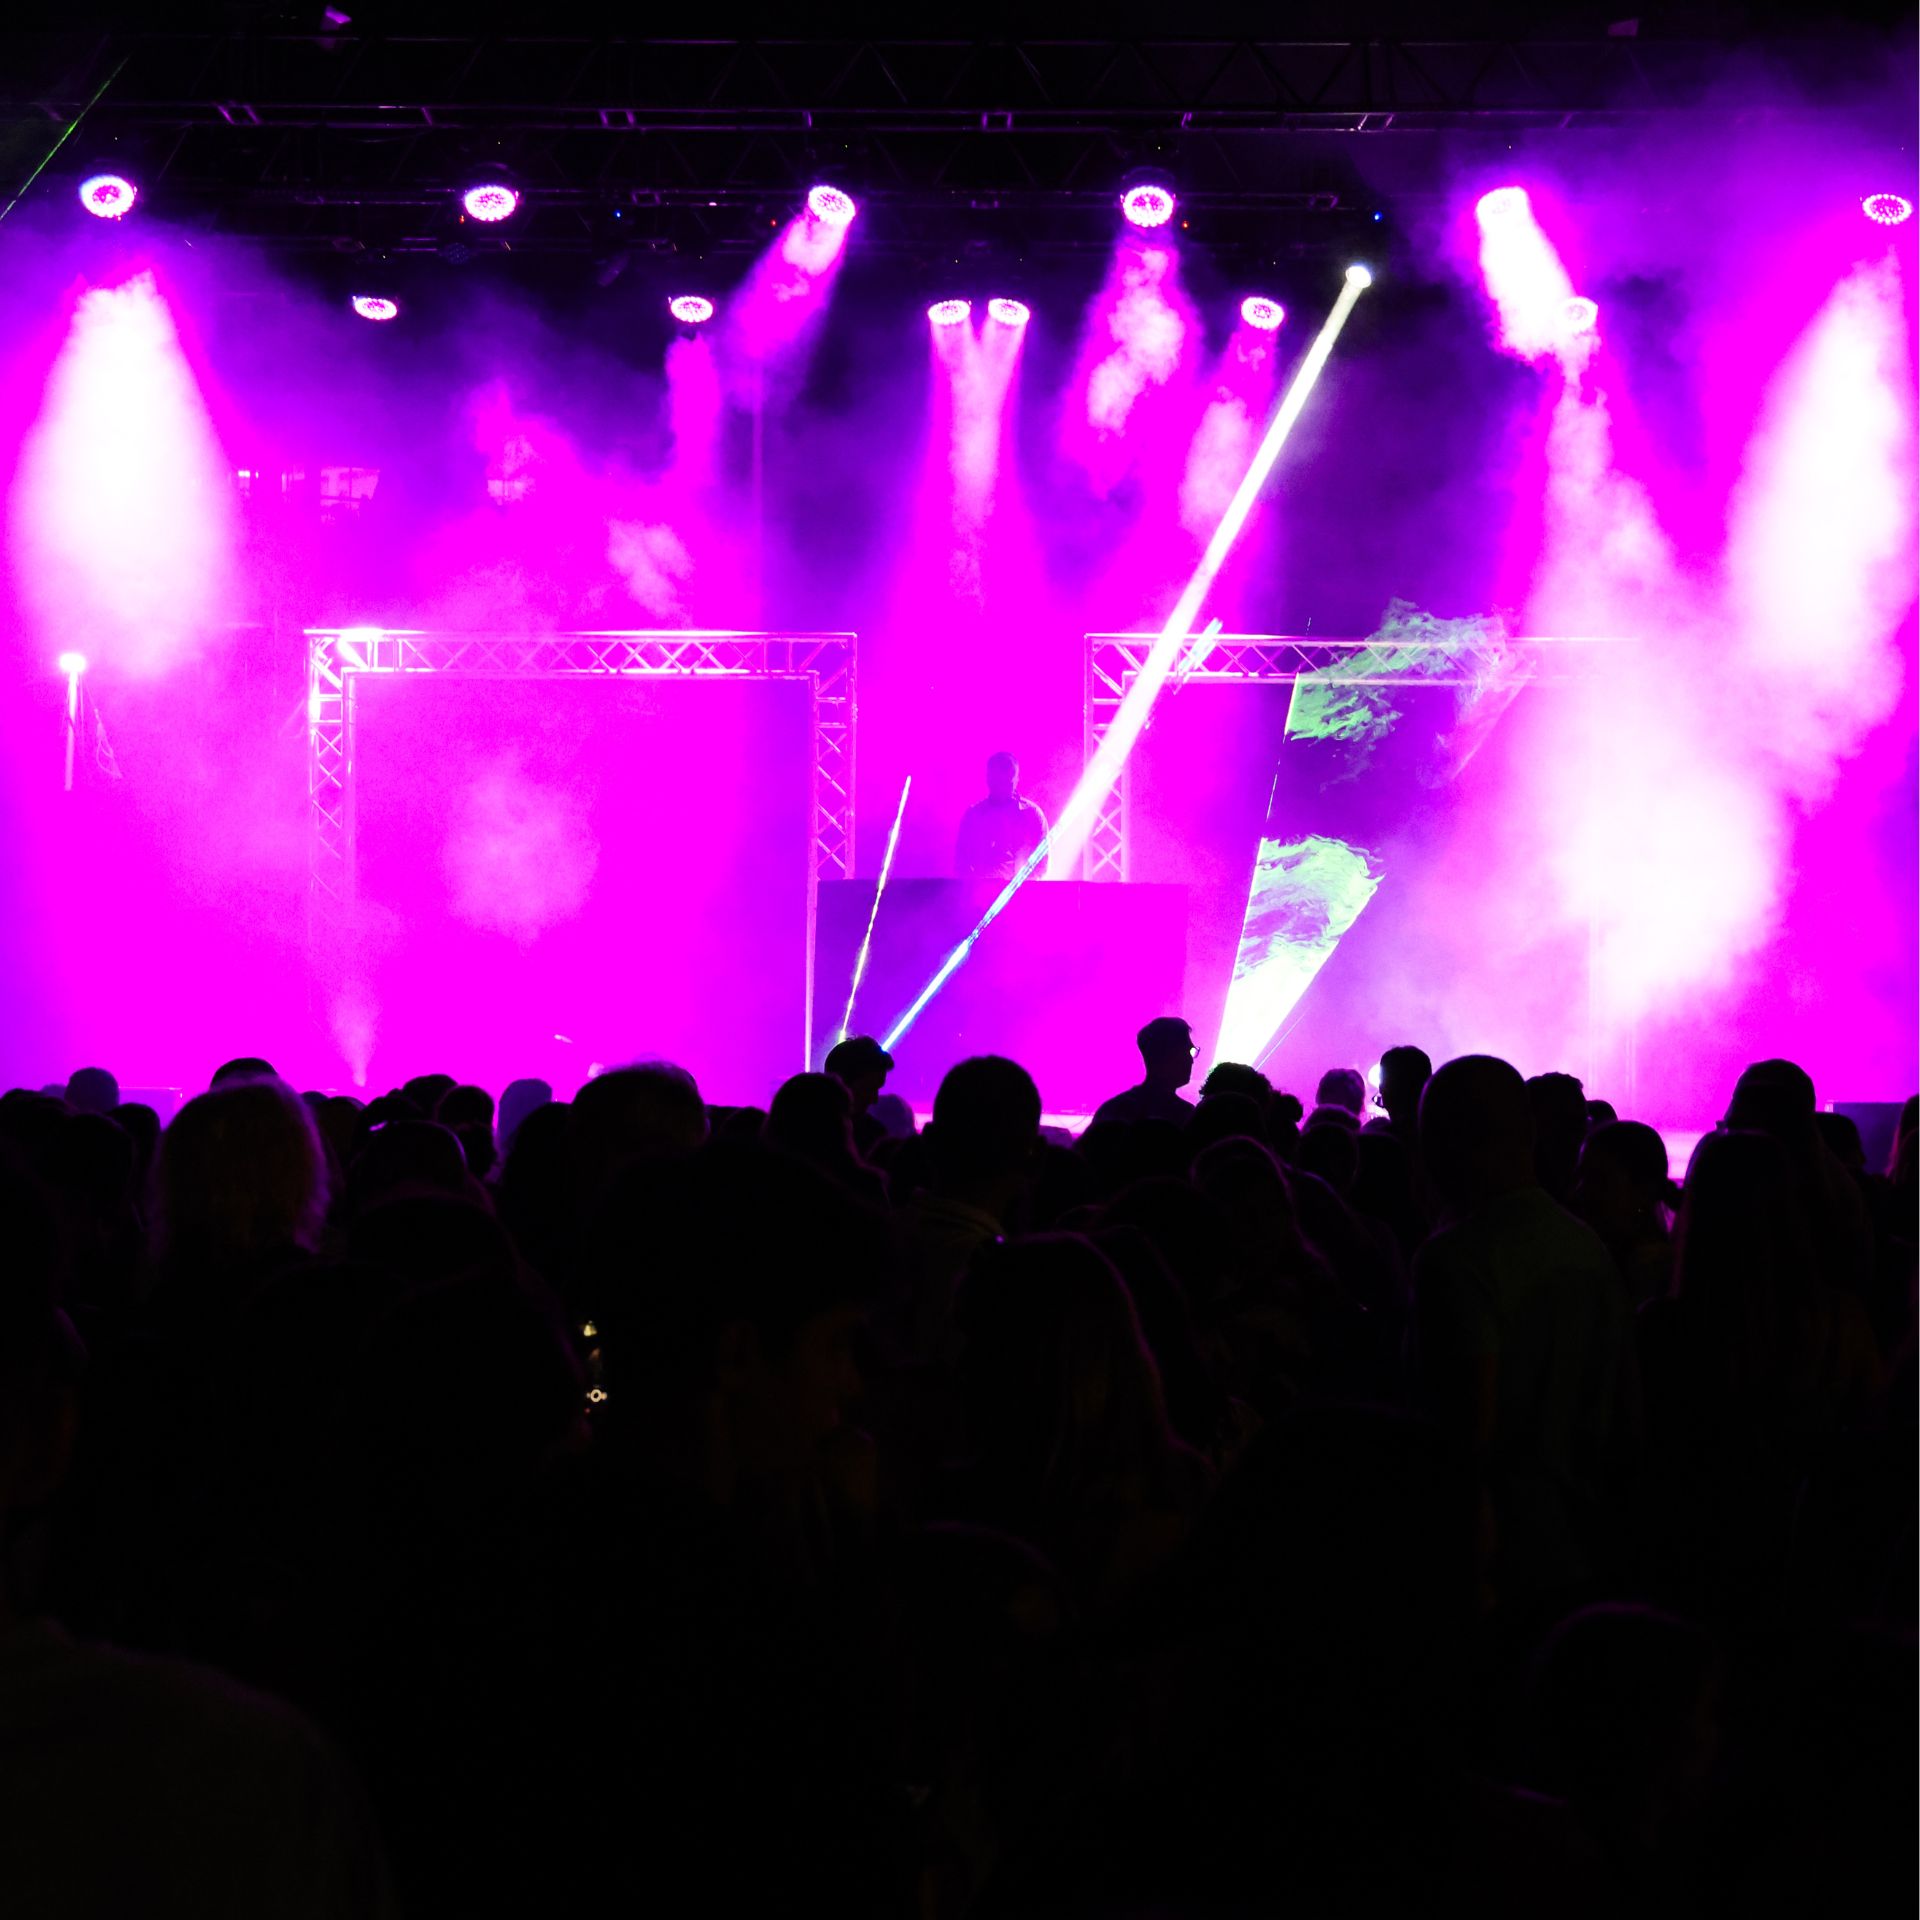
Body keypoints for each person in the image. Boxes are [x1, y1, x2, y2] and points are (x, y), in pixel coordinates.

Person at [1410, 1055, 1634, 1608]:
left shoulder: (1455, 1257)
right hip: (1583, 1542)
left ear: (1444, 1140)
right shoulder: (1586, 1244)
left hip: (1494, 1557)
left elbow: (1466, 1436)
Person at [955, 751, 1048, 881]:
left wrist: (1020, 888)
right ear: (988, 779)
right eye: (998, 779)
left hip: (1021, 892)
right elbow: (962, 864)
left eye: (1008, 778)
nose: (1003, 784)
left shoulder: (1032, 815)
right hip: (981, 892)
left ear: (1017, 778)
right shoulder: (973, 816)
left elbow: (1041, 866)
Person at [1093, 1017, 1197, 1129]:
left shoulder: (1112, 1110)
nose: (1191, 1060)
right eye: (1187, 1051)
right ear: (1167, 1055)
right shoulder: (1185, 1115)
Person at [824, 1035, 894, 1157]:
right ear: (841, 1085)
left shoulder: (799, 1130)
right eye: (868, 1089)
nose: (874, 1099)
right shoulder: (874, 1136)